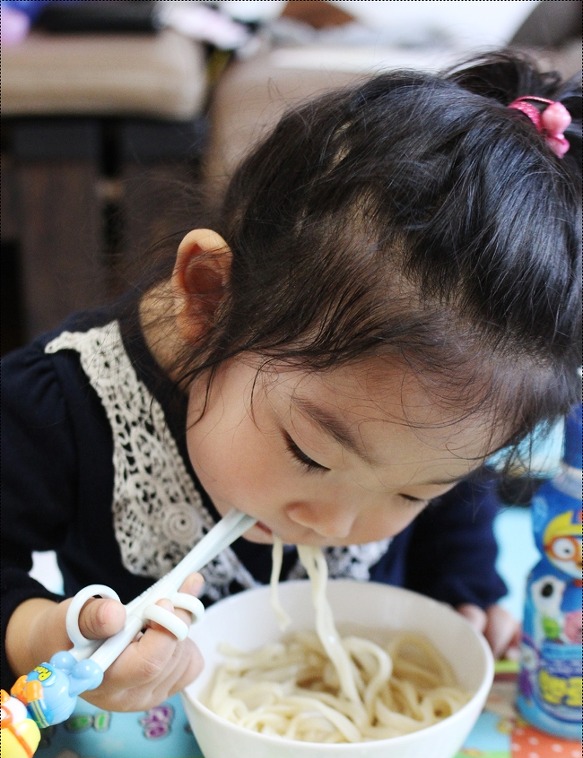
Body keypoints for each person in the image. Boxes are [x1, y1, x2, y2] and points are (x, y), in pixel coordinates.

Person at [1, 51, 581, 717]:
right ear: (209, 297)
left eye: (407, 490)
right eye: (309, 454)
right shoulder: (56, 404)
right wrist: (36, 637)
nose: (336, 527)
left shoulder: (431, 434)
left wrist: (460, 584)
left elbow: (454, 490)